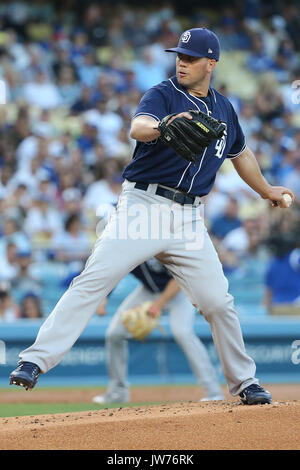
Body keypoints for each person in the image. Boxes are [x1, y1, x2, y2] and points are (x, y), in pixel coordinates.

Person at [10, 28, 295, 405]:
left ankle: (245, 383)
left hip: (190, 218)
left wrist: (267, 190)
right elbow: (138, 126)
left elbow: (240, 153)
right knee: (92, 280)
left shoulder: (225, 108)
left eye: (191, 57)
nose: (182, 61)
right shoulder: (162, 94)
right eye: (179, 54)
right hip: (144, 207)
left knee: (217, 302)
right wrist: (162, 126)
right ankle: (34, 360)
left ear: (211, 63)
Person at [93, 258, 224, 404]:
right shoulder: (126, 246)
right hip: (147, 291)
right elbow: (114, 270)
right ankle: (118, 392)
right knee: (114, 333)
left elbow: (177, 278)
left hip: (180, 291)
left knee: (182, 333)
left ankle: (214, 392)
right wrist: (104, 298)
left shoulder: (157, 243)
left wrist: (158, 305)